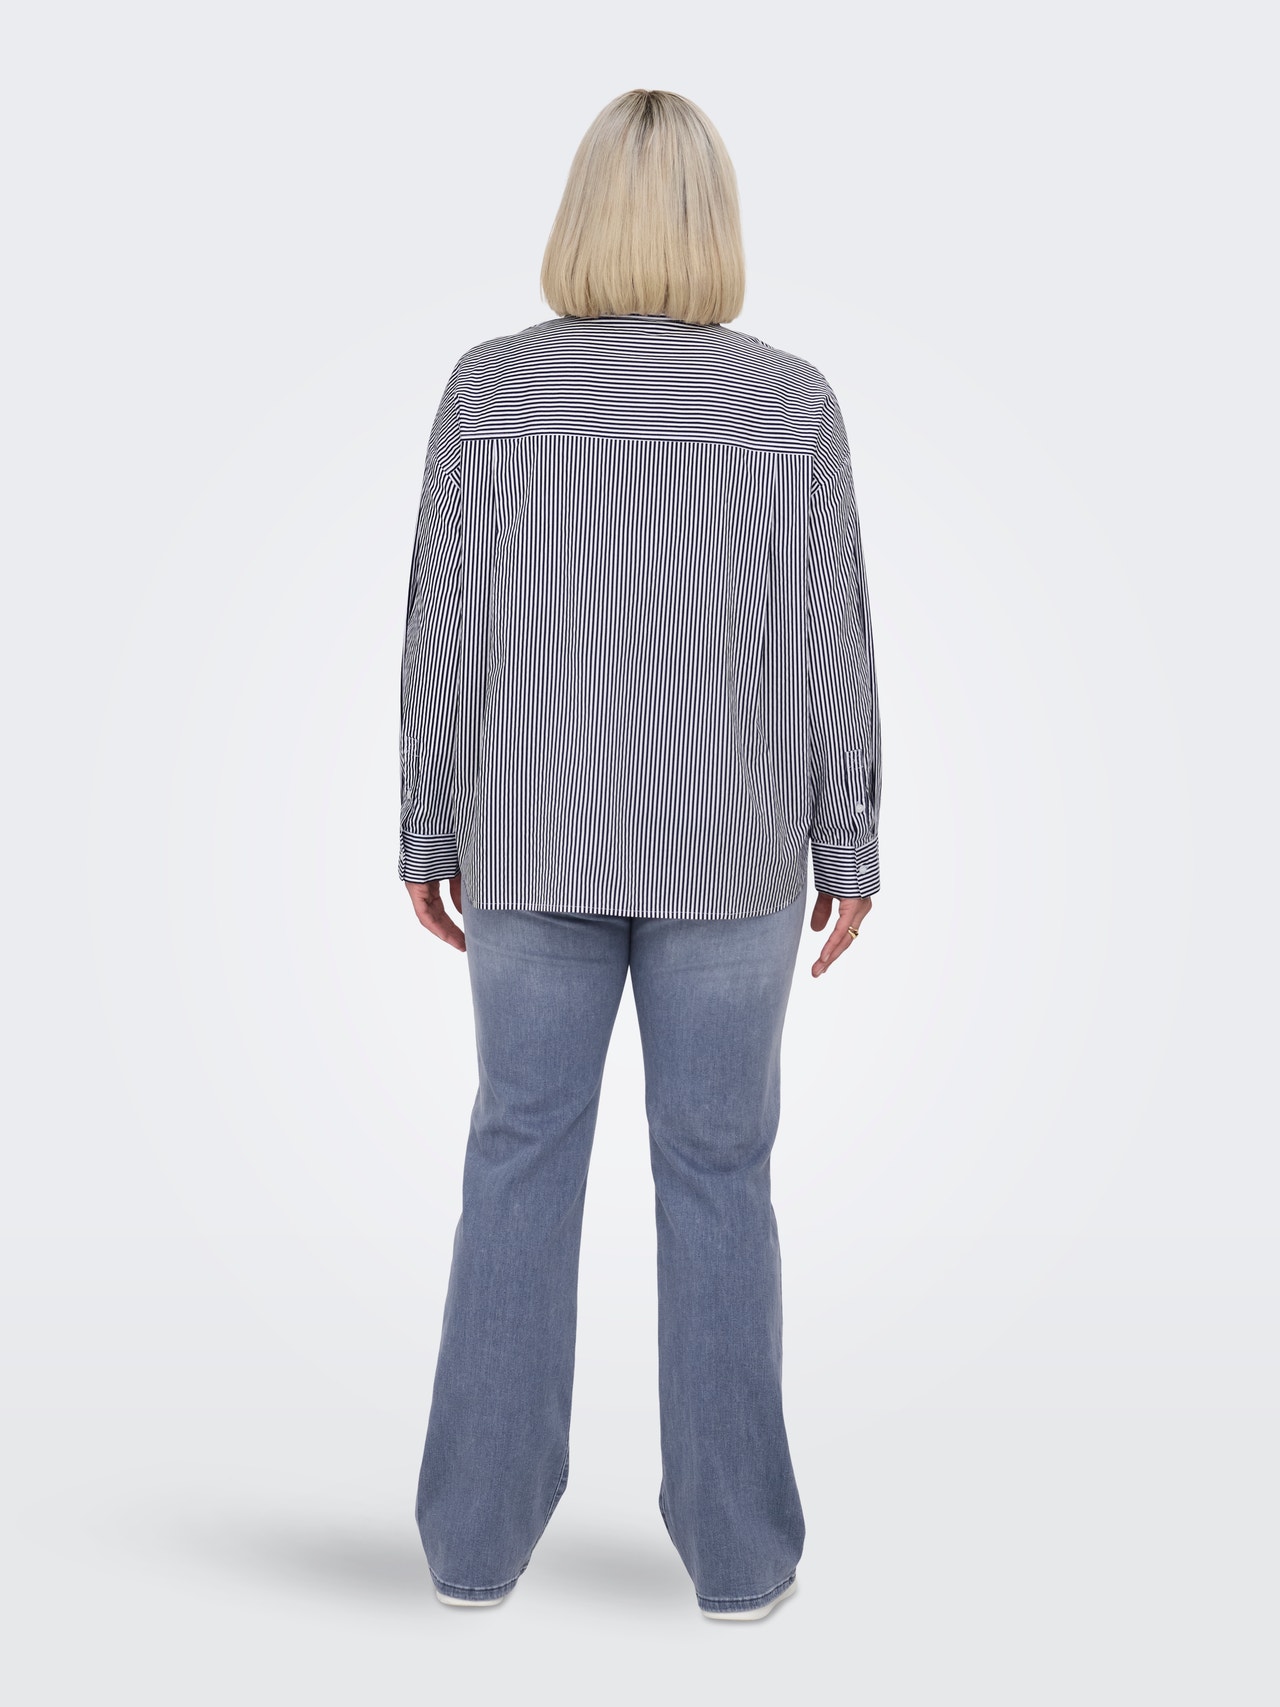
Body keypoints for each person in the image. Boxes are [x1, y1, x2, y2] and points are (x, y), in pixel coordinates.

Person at [398, 88, 883, 1622]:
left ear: (580, 217)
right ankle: (740, 1559)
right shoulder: (790, 403)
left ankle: (473, 1545)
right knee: (720, 1176)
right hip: (731, 851)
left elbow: (441, 630)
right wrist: (850, 837)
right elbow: (831, 637)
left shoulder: (488, 389)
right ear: (714, 224)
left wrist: (427, 824)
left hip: (530, 844)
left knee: (517, 1161)